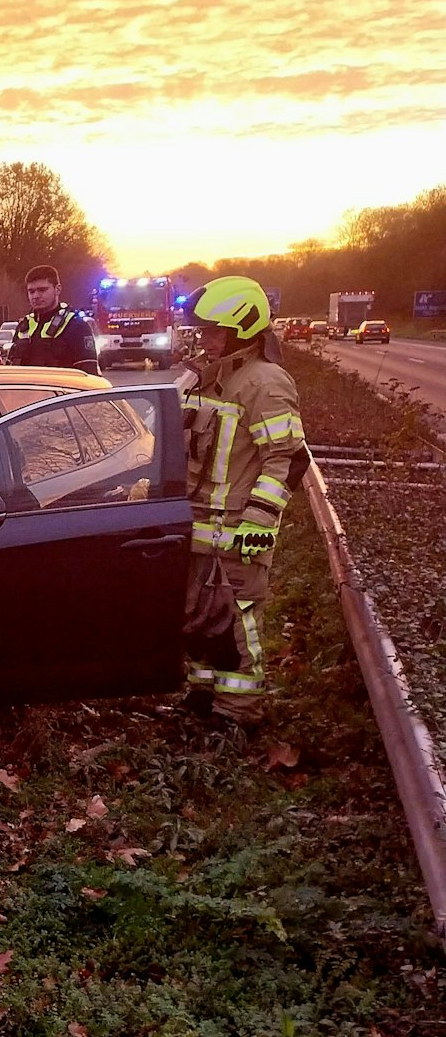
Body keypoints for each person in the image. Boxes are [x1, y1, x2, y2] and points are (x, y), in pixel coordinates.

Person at [179, 275, 305, 726]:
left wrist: (259, 520)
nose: (204, 338)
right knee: (199, 617)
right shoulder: (207, 379)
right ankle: (202, 694)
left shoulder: (266, 384)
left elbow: (286, 460)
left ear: (240, 329)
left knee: (239, 624)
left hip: (238, 533)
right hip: (199, 527)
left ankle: (237, 714)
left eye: (213, 330)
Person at [8, 265, 100, 374]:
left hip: (62, 389)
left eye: (42, 290)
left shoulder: (76, 326)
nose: (36, 296)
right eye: (31, 291)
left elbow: (89, 375)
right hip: (25, 390)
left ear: (58, 289)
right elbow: (10, 371)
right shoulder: (23, 327)